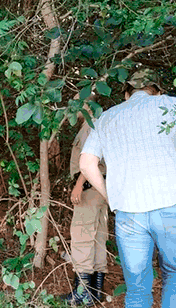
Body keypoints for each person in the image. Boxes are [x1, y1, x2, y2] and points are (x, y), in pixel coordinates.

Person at [79, 68, 176, 308]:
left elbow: (86, 163)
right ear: (157, 90)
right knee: (175, 275)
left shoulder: (107, 117)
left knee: (137, 290)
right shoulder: (168, 104)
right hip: (172, 205)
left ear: (127, 94)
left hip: (129, 213)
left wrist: (111, 197)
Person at [63, 114, 109, 306]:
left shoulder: (91, 125)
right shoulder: (101, 123)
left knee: (82, 237)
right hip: (102, 187)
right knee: (98, 237)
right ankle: (95, 292)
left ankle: (82, 292)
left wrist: (79, 185)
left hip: (90, 187)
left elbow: (91, 159)